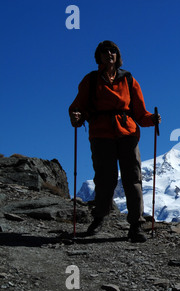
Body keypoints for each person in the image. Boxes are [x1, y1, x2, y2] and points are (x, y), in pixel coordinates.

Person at [69, 40, 161, 243]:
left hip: (127, 133)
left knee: (133, 178)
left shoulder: (128, 80)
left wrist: (151, 120)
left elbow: (140, 112)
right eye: (105, 51)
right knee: (105, 178)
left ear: (117, 56)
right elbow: (78, 107)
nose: (109, 54)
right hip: (101, 134)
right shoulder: (91, 80)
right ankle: (100, 217)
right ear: (98, 57)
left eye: (113, 51)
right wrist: (76, 117)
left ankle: (136, 225)